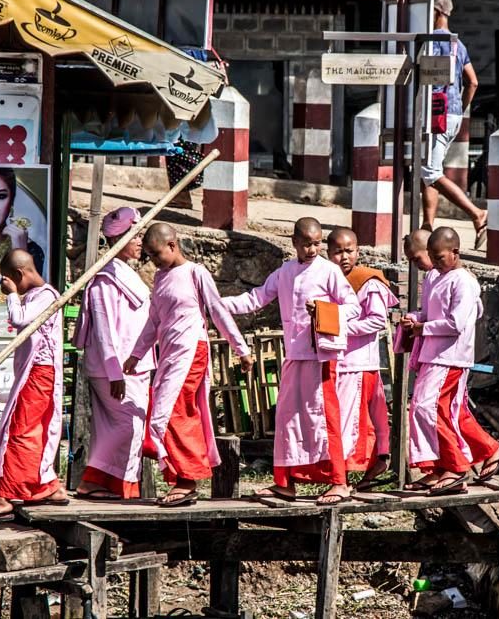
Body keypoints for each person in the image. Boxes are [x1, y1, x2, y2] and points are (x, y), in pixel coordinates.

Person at [222, 217, 360, 506]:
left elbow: (353, 308)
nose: (312, 249)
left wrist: (323, 309)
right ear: (295, 243)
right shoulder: (284, 272)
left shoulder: (329, 271)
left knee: (324, 418)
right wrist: (218, 304)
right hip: (294, 354)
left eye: (317, 243)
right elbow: (256, 298)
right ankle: (285, 482)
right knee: (288, 420)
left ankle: (339, 481)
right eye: (307, 244)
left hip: (320, 355)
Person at [123, 223, 253, 507]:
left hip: (191, 350)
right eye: (150, 256)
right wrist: (136, 354)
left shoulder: (196, 272)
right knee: (164, 410)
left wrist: (241, 349)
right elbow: (154, 321)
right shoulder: (160, 277)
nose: (154, 261)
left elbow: (217, 310)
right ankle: (182, 477)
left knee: (174, 411)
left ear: (172, 245)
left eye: (157, 254)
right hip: (169, 354)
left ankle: (188, 479)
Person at [401, 228, 499, 495]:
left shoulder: (463, 280)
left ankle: (455, 466)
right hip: (432, 354)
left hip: (450, 356)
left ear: (455, 253)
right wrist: (415, 320)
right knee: (448, 412)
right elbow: (428, 312)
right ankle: (448, 464)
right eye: (431, 258)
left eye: (438, 258)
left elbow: (458, 323)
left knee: (428, 407)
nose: (434, 264)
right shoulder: (435, 277)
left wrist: (423, 328)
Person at [0, 250, 67, 521]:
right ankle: (46, 485)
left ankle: (6, 496)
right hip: (34, 374)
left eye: (10, 280)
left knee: (20, 431)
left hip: (39, 374)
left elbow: (20, 319)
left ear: (19, 275)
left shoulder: (46, 296)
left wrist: (12, 293)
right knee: (29, 430)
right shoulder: (38, 296)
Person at [72, 207, 154, 500]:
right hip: (115, 368)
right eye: (136, 236)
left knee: (119, 426)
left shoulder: (123, 274)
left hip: (131, 365)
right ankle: (94, 479)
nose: (140, 242)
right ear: (120, 237)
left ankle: (113, 485)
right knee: (128, 425)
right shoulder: (105, 279)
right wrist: (115, 372)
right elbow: (105, 330)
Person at [326, 228, 399, 490]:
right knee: (363, 420)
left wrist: (339, 326)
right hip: (344, 361)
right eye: (337, 252)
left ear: (358, 251)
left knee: (351, 421)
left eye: (349, 251)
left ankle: (342, 478)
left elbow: (378, 320)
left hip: (359, 363)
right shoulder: (331, 278)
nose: (344, 257)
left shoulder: (367, 281)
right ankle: (364, 473)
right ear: (328, 253)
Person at [423, 0, 488, 249]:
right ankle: (427, 226)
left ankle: (476, 213)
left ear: (436, 12)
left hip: (434, 114)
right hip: (452, 114)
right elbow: (473, 81)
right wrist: (460, 108)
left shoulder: (429, 43)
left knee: (430, 171)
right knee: (427, 169)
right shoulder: (458, 45)